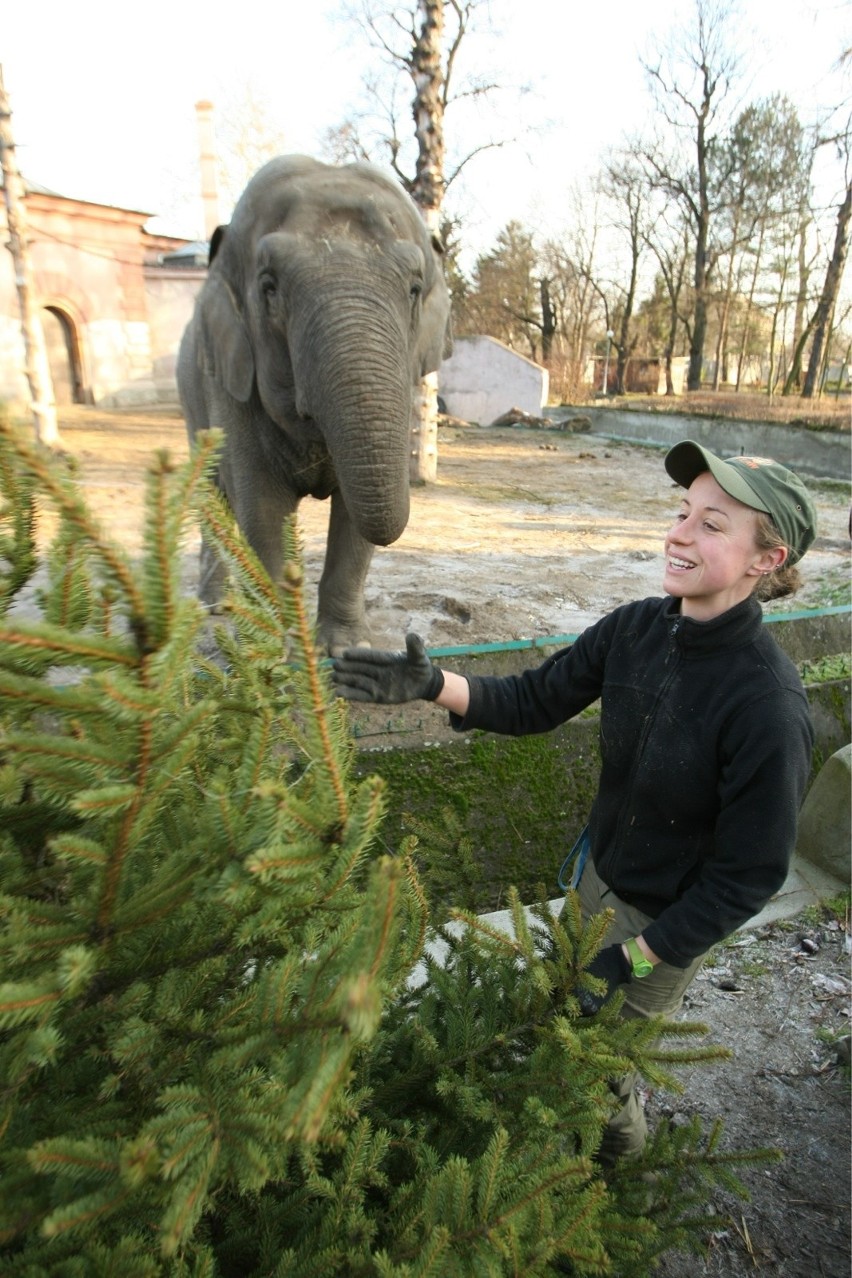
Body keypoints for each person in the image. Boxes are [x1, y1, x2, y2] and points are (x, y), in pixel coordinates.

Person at [331, 440, 818, 1165]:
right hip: (595, 880)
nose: (679, 533)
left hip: (663, 923)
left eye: (713, 525)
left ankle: (613, 1170)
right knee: (558, 1026)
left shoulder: (766, 706)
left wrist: (636, 959)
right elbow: (535, 699)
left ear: (765, 560)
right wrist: (433, 685)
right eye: (683, 513)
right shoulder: (636, 630)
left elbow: (747, 877)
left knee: (597, 1076)